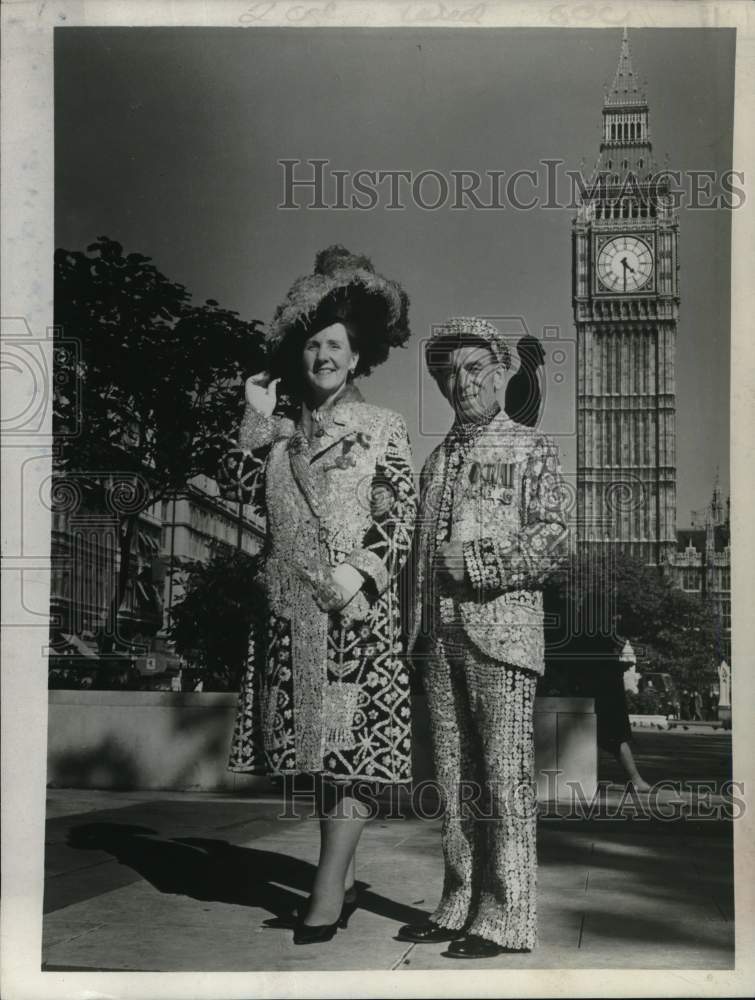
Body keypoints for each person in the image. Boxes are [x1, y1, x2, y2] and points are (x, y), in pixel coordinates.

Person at [217, 246, 416, 944]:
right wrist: (254, 413)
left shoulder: (381, 426)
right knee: (311, 758)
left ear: (358, 359)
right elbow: (241, 504)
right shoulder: (277, 436)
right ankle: (335, 879)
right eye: (312, 346)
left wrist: (356, 575)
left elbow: (398, 513)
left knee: (347, 750)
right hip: (287, 611)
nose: (322, 356)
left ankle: (327, 887)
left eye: (335, 346)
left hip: (350, 613)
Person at [397, 317, 568, 959]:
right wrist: (413, 638)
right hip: (438, 641)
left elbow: (554, 537)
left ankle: (504, 916)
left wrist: (477, 563)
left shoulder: (530, 446)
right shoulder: (435, 460)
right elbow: (416, 561)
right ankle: (457, 901)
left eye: (474, 369)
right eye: (449, 372)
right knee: (453, 776)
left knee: (503, 778)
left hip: (502, 636)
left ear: (499, 373)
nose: (460, 382)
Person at [504, 334, 546, 428]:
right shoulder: (519, 381)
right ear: (531, 353)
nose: (544, 352)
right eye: (540, 348)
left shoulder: (529, 379)